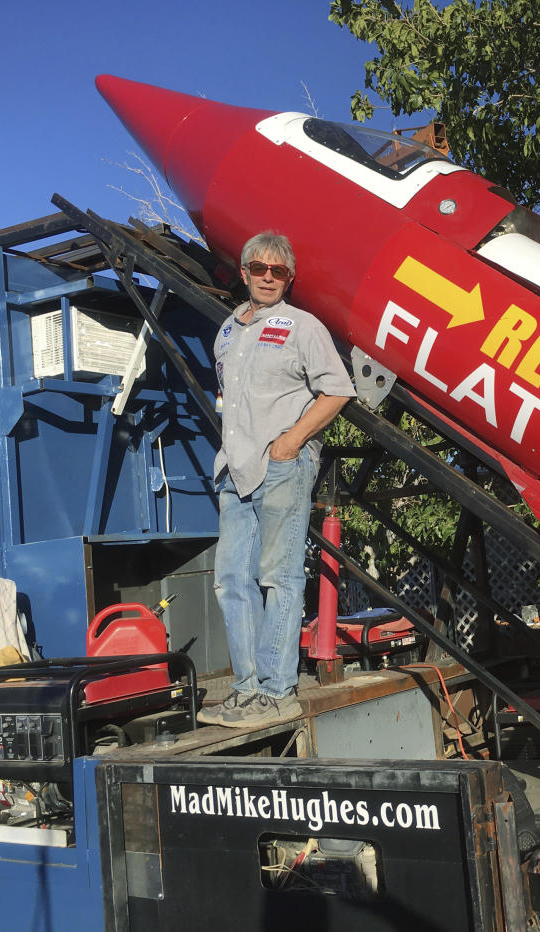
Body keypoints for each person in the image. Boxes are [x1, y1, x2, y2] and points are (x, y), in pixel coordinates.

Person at [198, 232, 354, 728]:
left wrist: (290, 443)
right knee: (231, 582)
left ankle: (277, 690)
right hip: (234, 470)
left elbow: (337, 391)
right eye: (258, 268)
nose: (268, 276)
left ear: (289, 278)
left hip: (282, 465)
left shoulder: (303, 327)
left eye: (278, 271)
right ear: (242, 273)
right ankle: (245, 690)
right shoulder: (225, 332)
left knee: (278, 577)